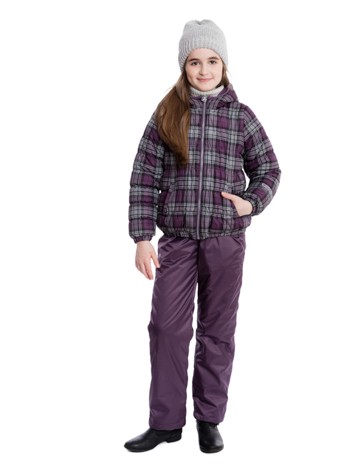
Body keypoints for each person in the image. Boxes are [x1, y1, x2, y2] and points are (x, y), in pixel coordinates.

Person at [125, 19, 281, 453]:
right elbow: (143, 176)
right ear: (184, 66)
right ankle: (165, 423)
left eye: (212, 60)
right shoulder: (167, 114)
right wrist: (142, 237)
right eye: (195, 62)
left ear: (223, 64)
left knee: (217, 330)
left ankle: (209, 419)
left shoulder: (241, 116)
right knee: (167, 329)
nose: (204, 69)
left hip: (225, 240)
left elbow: (269, 169)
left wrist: (251, 202)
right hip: (176, 241)